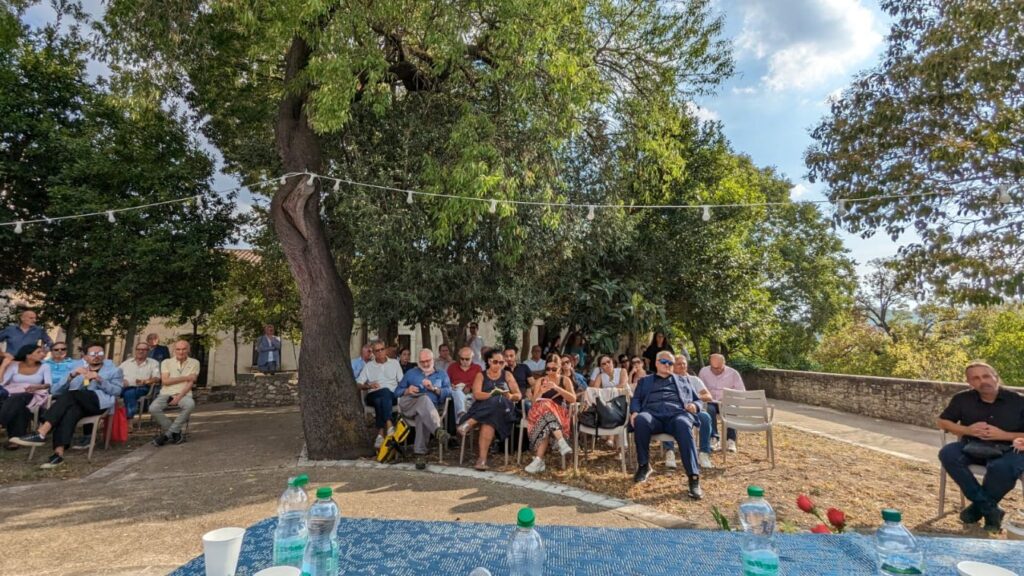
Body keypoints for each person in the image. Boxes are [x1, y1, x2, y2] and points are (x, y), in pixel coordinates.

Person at [938, 361, 1024, 532]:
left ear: (995, 377)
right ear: (970, 383)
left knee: (1002, 468)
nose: (982, 381)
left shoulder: (1018, 402)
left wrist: (1003, 435)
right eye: (975, 378)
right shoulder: (962, 399)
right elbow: (942, 421)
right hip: (972, 446)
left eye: (986, 376)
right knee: (948, 453)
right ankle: (990, 509)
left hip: (1009, 450)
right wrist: (967, 429)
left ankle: (978, 509)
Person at [12, 343, 122, 469]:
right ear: (85, 357)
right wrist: (71, 375)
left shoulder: (114, 371)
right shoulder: (77, 370)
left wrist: (100, 379)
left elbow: (117, 391)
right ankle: (58, 455)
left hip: (98, 402)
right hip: (77, 403)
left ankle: (42, 431)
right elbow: (55, 390)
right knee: (69, 412)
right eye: (92, 354)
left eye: (100, 353)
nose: (96, 356)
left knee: (72, 395)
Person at [630, 351, 703, 499]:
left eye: (671, 363)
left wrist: (695, 405)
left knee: (683, 424)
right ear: (656, 363)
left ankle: (693, 477)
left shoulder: (683, 380)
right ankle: (644, 466)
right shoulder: (645, 381)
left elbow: (698, 400)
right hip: (652, 415)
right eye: (664, 362)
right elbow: (636, 399)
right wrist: (635, 412)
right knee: (641, 420)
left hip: (676, 415)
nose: (668, 365)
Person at [458, 349, 522, 470]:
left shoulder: (507, 375)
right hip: (485, 410)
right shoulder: (481, 375)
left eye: (501, 362)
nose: (498, 365)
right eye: (495, 362)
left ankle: (470, 423)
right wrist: (491, 395)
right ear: (489, 361)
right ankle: (482, 460)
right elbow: (476, 394)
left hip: (504, 410)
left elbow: (518, 395)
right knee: (490, 419)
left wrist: (510, 396)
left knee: (499, 401)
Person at [395, 348, 452, 470]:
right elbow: (397, 392)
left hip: (429, 410)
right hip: (409, 405)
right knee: (424, 399)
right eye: (422, 362)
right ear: (418, 361)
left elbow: (449, 392)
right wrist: (407, 390)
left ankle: (420, 454)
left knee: (422, 412)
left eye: (428, 361)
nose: (425, 364)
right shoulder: (411, 373)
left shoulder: (441, 374)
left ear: (433, 359)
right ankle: (437, 430)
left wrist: (434, 389)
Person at [661, 355, 715, 470]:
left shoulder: (694, 380)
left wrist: (694, 398)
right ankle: (670, 451)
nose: (682, 366)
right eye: (679, 364)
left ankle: (704, 453)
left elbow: (708, 396)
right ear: (673, 366)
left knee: (705, 417)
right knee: (667, 416)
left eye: (684, 363)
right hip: (675, 410)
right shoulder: (668, 380)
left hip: (693, 410)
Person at [524, 354, 576, 473]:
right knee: (545, 404)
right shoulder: (540, 381)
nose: (550, 372)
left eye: (554, 369)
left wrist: (557, 388)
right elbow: (533, 402)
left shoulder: (565, 380)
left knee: (546, 420)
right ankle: (561, 441)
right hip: (537, 413)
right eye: (547, 369)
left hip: (558, 414)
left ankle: (538, 460)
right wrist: (541, 392)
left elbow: (573, 399)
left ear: (560, 368)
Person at [0, 342, 52, 450]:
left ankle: (1, 423)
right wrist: (4, 365)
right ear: (28, 355)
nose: (42, 354)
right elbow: (3, 383)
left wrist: (37, 387)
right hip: (13, 393)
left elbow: (48, 383)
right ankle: (15, 439)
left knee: (19, 398)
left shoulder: (45, 366)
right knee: (18, 404)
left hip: (33, 393)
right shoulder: (15, 366)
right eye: (38, 352)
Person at [150, 340, 199, 446]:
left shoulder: (194, 362)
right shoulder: (166, 362)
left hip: (183, 394)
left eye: (184, 349)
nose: (181, 352)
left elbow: (190, 383)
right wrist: (186, 377)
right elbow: (166, 381)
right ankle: (175, 432)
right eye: (178, 349)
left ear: (188, 350)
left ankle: (167, 435)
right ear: (174, 350)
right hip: (166, 393)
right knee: (153, 408)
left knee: (190, 404)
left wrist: (179, 397)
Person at [357, 340, 404, 449]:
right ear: (373, 352)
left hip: (391, 396)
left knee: (384, 394)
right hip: (373, 395)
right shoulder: (369, 366)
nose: (380, 352)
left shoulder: (395, 363)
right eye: (377, 350)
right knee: (383, 393)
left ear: (385, 350)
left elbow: (402, 382)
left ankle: (380, 433)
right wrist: (369, 386)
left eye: (382, 349)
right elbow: (359, 384)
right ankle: (389, 424)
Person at [699, 353, 745, 452]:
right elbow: (699, 389)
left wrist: (729, 397)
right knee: (708, 409)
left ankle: (731, 440)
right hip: (710, 402)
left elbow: (741, 391)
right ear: (710, 364)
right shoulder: (704, 371)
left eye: (719, 368)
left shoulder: (733, 373)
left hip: (726, 402)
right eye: (714, 368)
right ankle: (714, 438)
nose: (716, 371)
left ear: (724, 363)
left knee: (731, 408)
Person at [119, 341, 161, 419]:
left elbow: (157, 378)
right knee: (110, 393)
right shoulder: (126, 363)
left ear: (148, 351)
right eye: (138, 349)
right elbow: (116, 375)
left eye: (144, 349)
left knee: (129, 393)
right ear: (135, 350)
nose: (141, 351)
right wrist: (122, 381)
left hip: (142, 388)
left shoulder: (153, 363)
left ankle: (128, 420)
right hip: (123, 387)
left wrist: (145, 381)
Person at [446, 346, 481, 421]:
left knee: (472, 398)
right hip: (455, 392)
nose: (464, 361)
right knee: (458, 393)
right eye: (462, 359)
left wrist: (470, 388)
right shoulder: (452, 367)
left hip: (471, 393)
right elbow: (446, 382)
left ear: (472, 358)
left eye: (467, 359)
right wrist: (451, 385)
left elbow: (480, 383)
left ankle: (462, 421)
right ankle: (462, 416)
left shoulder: (477, 368)